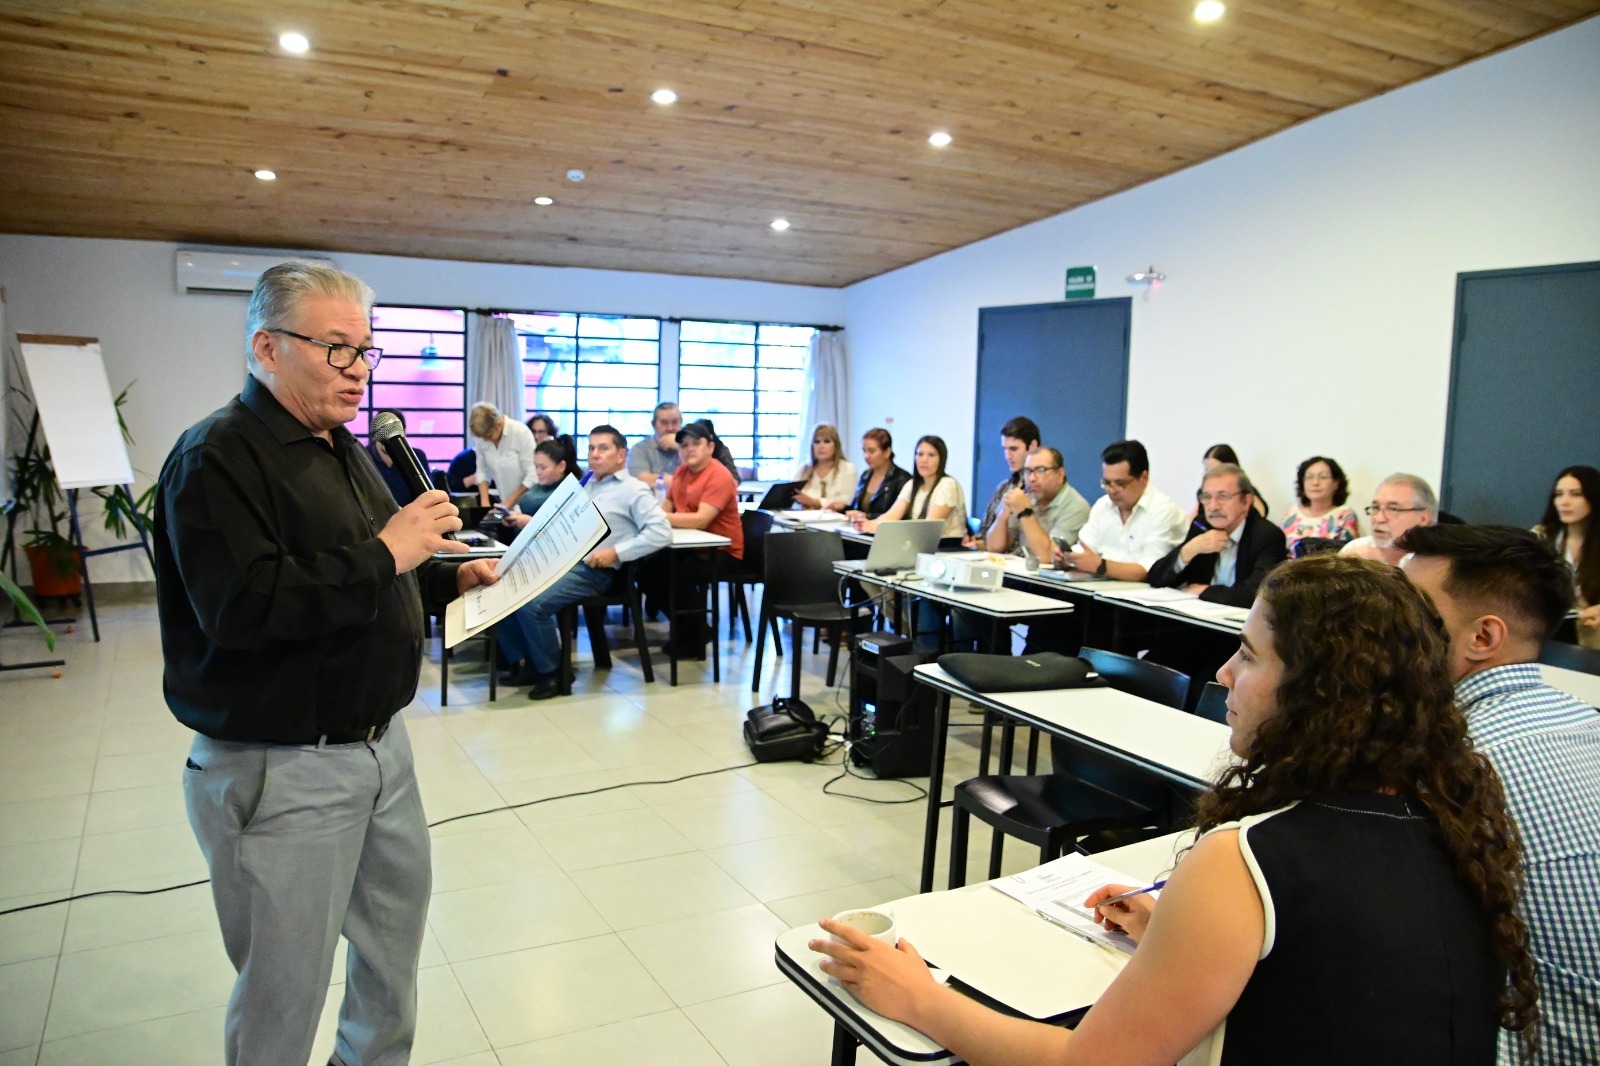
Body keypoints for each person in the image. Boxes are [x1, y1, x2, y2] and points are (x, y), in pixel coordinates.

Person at [811, 554, 1537, 1066]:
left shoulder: (1246, 859)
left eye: (1248, 656)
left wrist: (917, 999)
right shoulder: (1457, 811)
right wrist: (1190, 933)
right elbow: (1338, 974)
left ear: (1321, 692)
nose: (1223, 674)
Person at [154, 262, 499, 1065]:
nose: (355, 370)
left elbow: (385, 566)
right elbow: (244, 608)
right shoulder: (215, 458)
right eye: (335, 348)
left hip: (382, 752)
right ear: (266, 348)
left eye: (365, 351)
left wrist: (452, 577)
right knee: (286, 990)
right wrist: (388, 552)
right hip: (282, 764)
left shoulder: (343, 448)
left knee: (390, 964)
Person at [1400, 524, 1600, 1062]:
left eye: (1408, 612)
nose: (1383, 627)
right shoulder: (1585, 721)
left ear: (1483, 637)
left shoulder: (1450, 764)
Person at [497, 425, 670, 697]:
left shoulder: (633, 490)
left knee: (533, 604)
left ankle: (554, 673)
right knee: (502, 587)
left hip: (595, 570)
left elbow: (661, 532)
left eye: (603, 448)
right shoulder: (587, 483)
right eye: (591, 448)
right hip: (563, 560)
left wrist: (616, 553)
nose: (595, 454)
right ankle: (531, 662)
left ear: (621, 455)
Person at [658, 420, 744, 659]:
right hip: (689, 546)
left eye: (696, 443)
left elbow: (700, 520)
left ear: (711, 447)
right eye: (684, 445)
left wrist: (662, 517)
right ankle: (696, 630)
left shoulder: (720, 475)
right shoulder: (681, 472)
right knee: (648, 570)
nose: (689, 449)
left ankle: (691, 637)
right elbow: (667, 507)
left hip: (722, 551)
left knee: (678, 575)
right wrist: (661, 515)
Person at [1147, 463, 1286, 606]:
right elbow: (1155, 579)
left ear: (1246, 501)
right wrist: (1188, 550)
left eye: (1223, 496)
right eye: (1207, 497)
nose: (1213, 506)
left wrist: (1205, 591)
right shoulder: (1201, 526)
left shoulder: (1267, 536)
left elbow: (1257, 595)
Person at [1059, 439, 1187, 581]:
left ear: (1144, 477)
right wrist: (1069, 558)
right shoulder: (1102, 506)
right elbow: (1086, 548)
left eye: (1120, 483)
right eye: (1107, 483)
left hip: (1143, 595)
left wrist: (1101, 566)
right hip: (1103, 588)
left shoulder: (1164, 510)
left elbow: (1151, 570)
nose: (1112, 490)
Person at [1535, 465, 1600, 649]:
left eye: (1575, 494)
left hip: (1591, 637)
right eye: (1559, 494)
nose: (1564, 502)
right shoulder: (1540, 536)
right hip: (1546, 631)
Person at [985, 446, 1089, 561]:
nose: (1031, 478)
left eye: (1041, 470)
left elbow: (1049, 556)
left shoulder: (1076, 507)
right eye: (1028, 471)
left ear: (1060, 475)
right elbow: (994, 547)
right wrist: (1003, 516)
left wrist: (1025, 512)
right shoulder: (1028, 497)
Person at [854, 435, 967, 540]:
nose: (924, 460)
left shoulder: (948, 485)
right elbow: (891, 516)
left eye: (931, 455)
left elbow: (929, 528)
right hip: (920, 544)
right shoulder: (912, 484)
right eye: (920, 454)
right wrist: (868, 524)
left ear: (941, 459)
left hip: (946, 547)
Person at [968, 416, 1040, 546]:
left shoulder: (1039, 490)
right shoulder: (1004, 487)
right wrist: (975, 543)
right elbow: (984, 533)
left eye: (1013, 449)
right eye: (1005, 449)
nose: (1007, 455)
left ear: (1032, 446)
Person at [1341, 472, 1436, 566]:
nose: (1379, 518)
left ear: (1423, 518)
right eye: (1375, 507)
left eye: (1393, 509)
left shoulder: (1435, 561)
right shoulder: (1355, 549)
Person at [1279, 454, 1360, 555]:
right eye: (1309, 477)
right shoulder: (1292, 513)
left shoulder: (1345, 515)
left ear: (1336, 483)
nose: (1315, 482)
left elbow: (1349, 555)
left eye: (1323, 477)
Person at [467, 400, 538, 512]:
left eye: (489, 435)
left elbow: (533, 474)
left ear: (498, 424)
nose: (486, 440)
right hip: (505, 506)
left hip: (528, 504)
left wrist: (507, 503)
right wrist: (485, 505)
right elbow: (482, 472)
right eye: (483, 437)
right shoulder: (482, 439)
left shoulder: (520, 432)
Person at [843, 427, 911, 521]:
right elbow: (856, 507)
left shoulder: (902, 479)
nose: (866, 456)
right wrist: (841, 508)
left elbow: (897, 516)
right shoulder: (865, 475)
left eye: (871, 451)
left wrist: (865, 516)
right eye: (864, 451)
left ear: (887, 452)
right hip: (859, 530)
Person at [366, 408, 430, 505]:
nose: (388, 439)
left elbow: (425, 496)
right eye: (385, 431)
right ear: (375, 434)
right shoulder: (362, 456)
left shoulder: (417, 456)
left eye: (393, 432)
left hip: (413, 516)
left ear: (404, 432)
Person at [1189, 443, 1269, 519]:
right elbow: (1189, 523)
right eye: (1207, 471)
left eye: (1215, 471)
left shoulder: (1246, 490)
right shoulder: (1203, 492)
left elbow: (1261, 517)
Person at [794, 423, 857, 510]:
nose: (821, 446)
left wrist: (815, 502)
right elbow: (793, 496)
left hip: (836, 520)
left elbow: (844, 501)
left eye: (826, 441)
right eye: (817, 442)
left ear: (836, 445)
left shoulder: (848, 468)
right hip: (803, 518)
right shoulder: (803, 469)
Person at [512, 438, 577, 518]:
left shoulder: (568, 492)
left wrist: (529, 522)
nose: (538, 472)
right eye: (536, 466)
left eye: (543, 467)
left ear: (561, 466)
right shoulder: (538, 486)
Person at [627, 401, 683, 488]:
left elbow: (699, 477)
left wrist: (681, 448)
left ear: (681, 423)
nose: (670, 428)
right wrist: (680, 483)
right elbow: (642, 480)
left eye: (675, 422)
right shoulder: (639, 449)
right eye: (664, 423)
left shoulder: (689, 448)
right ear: (654, 425)